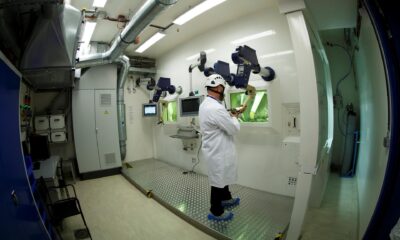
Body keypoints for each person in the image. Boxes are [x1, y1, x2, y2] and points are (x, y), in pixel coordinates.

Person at [199, 74, 245, 221]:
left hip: (217, 150)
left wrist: (229, 114)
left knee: (222, 176)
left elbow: (218, 119)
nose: (223, 91)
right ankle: (216, 211)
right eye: (223, 89)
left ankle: (226, 198)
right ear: (219, 88)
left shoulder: (206, 104)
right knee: (218, 181)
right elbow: (233, 129)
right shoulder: (215, 108)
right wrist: (235, 117)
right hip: (218, 151)